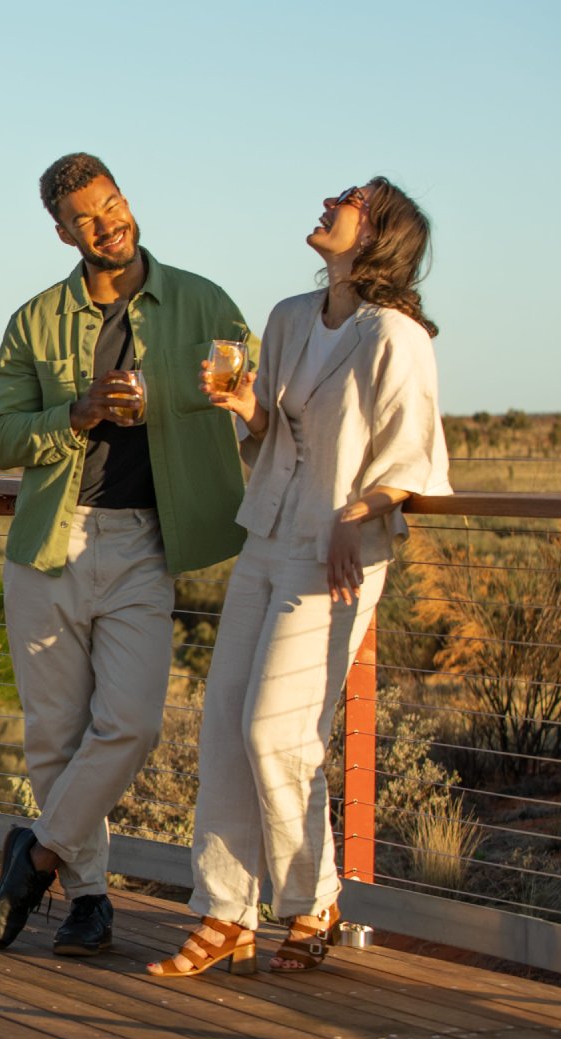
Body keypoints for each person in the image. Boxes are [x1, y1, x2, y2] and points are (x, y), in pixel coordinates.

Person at [148, 178, 450, 978]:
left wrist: (358, 515)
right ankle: (223, 913)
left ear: (378, 233)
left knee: (276, 733)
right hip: (269, 538)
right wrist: (247, 406)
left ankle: (312, 899)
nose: (327, 201)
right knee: (221, 729)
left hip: (338, 556)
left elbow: (413, 455)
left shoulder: (397, 337)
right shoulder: (285, 317)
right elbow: (276, 435)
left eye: (348, 198)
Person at [0, 152, 252, 957]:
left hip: (144, 541)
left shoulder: (204, 302)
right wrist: (77, 410)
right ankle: (90, 900)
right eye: (88, 218)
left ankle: (32, 860)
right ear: (63, 232)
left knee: (129, 726)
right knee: (55, 739)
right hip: (49, 545)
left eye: (114, 204)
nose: (110, 224)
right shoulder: (35, 320)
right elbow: (0, 437)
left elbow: (263, 391)